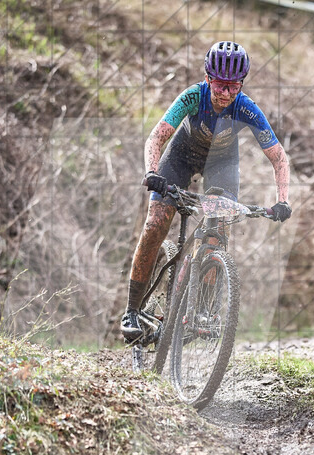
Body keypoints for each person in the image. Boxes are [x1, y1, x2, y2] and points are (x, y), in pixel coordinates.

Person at [121, 40, 292, 342]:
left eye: (233, 86)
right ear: (208, 78)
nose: (226, 93)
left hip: (221, 164)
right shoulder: (192, 97)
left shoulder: (246, 108)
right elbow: (156, 138)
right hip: (180, 159)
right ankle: (132, 310)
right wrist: (151, 172)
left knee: (217, 233)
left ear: (241, 85)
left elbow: (278, 157)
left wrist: (283, 201)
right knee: (156, 224)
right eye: (220, 85)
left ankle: (202, 311)